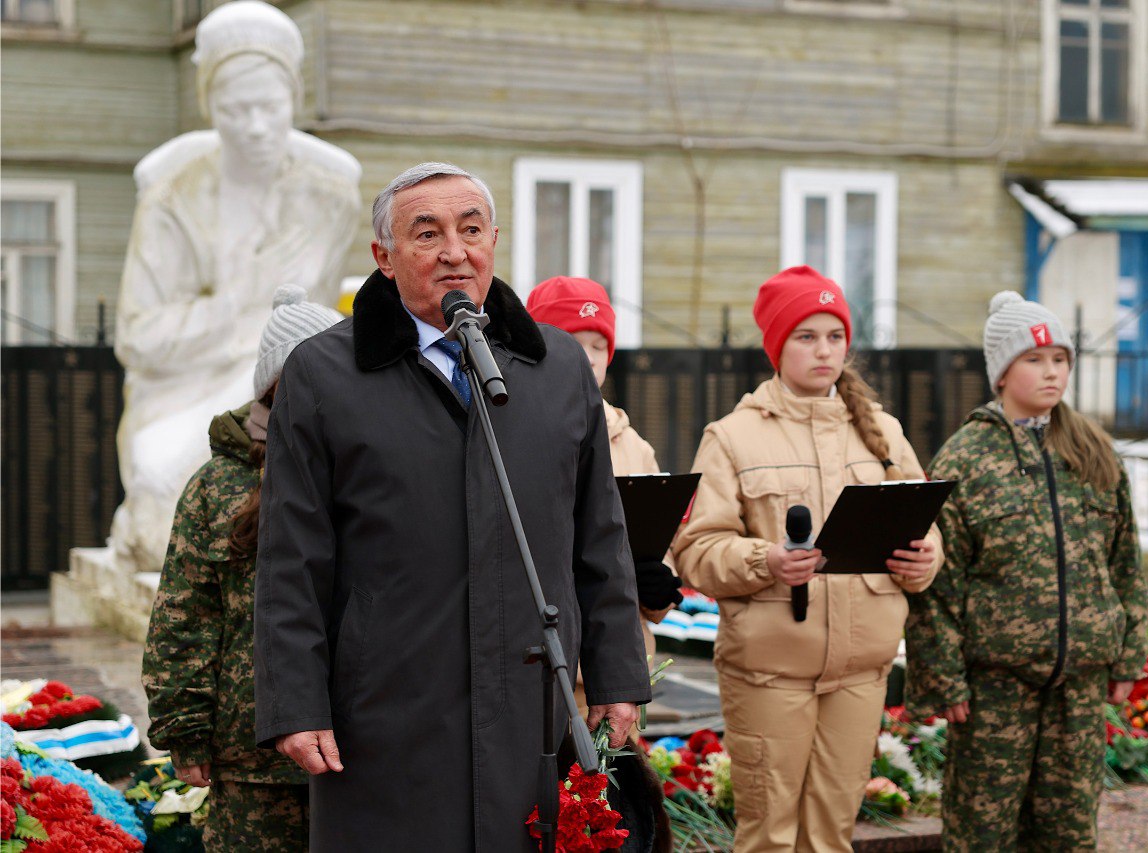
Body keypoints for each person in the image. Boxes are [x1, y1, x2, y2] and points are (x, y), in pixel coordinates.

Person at [252, 162, 651, 851]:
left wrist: (616, 674)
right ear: (384, 257)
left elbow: (599, 535)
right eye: (427, 233)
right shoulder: (324, 374)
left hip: (528, 706)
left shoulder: (557, 369)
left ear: (494, 240)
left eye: (470, 230)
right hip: (384, 707)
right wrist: (295, 703)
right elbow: (292, 555)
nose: (454, 252)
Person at [672, 265, 942, 852]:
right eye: (806, 336)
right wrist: (765, 560)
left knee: (832, 836)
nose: (825, 350)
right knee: (769, 836)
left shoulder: (882, 430)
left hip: (861, 673)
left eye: (835, 336)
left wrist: (925, 559)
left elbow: (923, 523)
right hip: (770, 673)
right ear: (777, 346)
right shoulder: (732, 437)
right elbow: (696, 551)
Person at [111, 0, 361, 572]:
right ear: (209, 107)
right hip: (187, 384)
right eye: (234, 109)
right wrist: (237, 305)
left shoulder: (329, 194)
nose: (255, 127)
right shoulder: (172, 194)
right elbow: (138, 337)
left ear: (294, 99)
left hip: (288, 377)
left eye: (270, 107)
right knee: (161, 481)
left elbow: (320, 317)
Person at [905, 291, 1148, 851]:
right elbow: (940, 584)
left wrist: (1128, 656)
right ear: (1001, 373)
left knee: (1069, 832)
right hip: (995, 689)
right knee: (982, 832)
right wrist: (944, 678)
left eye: (1060, 359)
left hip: (1079, 687)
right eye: (1034, 360)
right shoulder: (966, 458)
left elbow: (1125, 564)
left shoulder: (1093, 452)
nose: (1051, 372)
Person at [142, 285, 343, 852]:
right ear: (278, 384)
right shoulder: (218, 485)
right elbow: (184, 616)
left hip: (359, 747)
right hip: (253, 759)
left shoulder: (365, 467)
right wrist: (185, 730)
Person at [525, 275, 685, 718]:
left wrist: (657, 584)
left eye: (599, 345)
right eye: (573, 343)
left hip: (615, 678)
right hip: (537, 671)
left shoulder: (634, 445)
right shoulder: (513, 432)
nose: (589, 358)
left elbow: (662, 540)